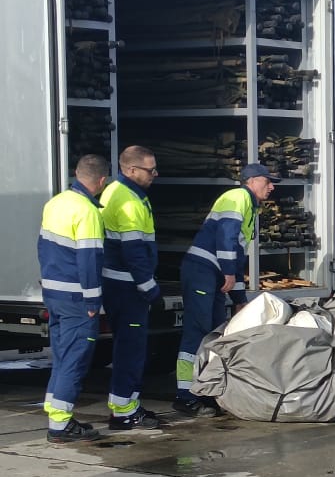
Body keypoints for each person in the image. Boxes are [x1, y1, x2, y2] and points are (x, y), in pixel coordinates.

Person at [173, 163, 277, 417]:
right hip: (202, 271)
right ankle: (185, 395)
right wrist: (229, 272)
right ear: (251, 181)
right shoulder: (238, 197)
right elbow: (227, 239)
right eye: (268, 181)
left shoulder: (249, 205)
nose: (272, 187)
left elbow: (237, 254)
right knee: (196, 332)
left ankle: (207, 390)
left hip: (214, 273)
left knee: (217, 332)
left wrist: (239, 298)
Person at [38, 154, 109, 443]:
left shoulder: (55, 202)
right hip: (77, 298)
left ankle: (56, 412)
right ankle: (60, 425)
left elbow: (42, 248)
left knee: (62, 356)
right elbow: (89, 260)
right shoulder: (87, 211)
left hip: (54, 293)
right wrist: (93, 303)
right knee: (75, 360)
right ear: (102, 181)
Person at [99, 145, 164, 430]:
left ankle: (126, 405)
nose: (155, 174)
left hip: (119, 284)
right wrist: (149, 288)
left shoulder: (119, 192)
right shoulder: (127, 200)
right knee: (131, 349)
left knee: (128, 348)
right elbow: (134, 251)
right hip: (127, 287)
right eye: (150, 170)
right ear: (132, 170)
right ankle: (125, 411)